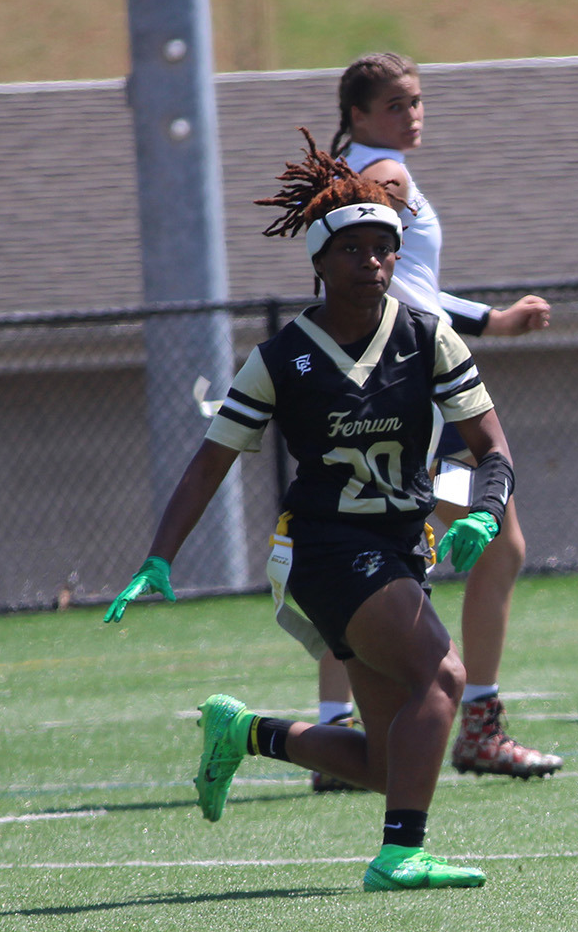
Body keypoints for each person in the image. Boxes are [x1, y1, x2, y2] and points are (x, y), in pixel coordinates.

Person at [104, 138, 513, 892]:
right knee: (443, 673)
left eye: (384, 247)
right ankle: (400, 856)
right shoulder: (281, 358)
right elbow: (209, 462)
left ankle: (246, 731)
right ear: (318, 263)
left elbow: (493, 448)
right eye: (352, 248)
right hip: (324, 547)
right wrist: (159, 555)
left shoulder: (427, 337)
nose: (372, 262)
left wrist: (486, 512)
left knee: (388, 762)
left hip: (398, 550)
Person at [314, 51, 560, 783]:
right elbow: (402, 292)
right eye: (396, 104)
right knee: (497, 540)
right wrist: (495, 321)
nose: (412, 115)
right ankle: (476, 726)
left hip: (380, 375)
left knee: (360, 541)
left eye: (417, 101)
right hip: (409, 378)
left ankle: (338, 731)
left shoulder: (357, 169)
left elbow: (401, 285)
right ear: (357, 113)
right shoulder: (382, 177)